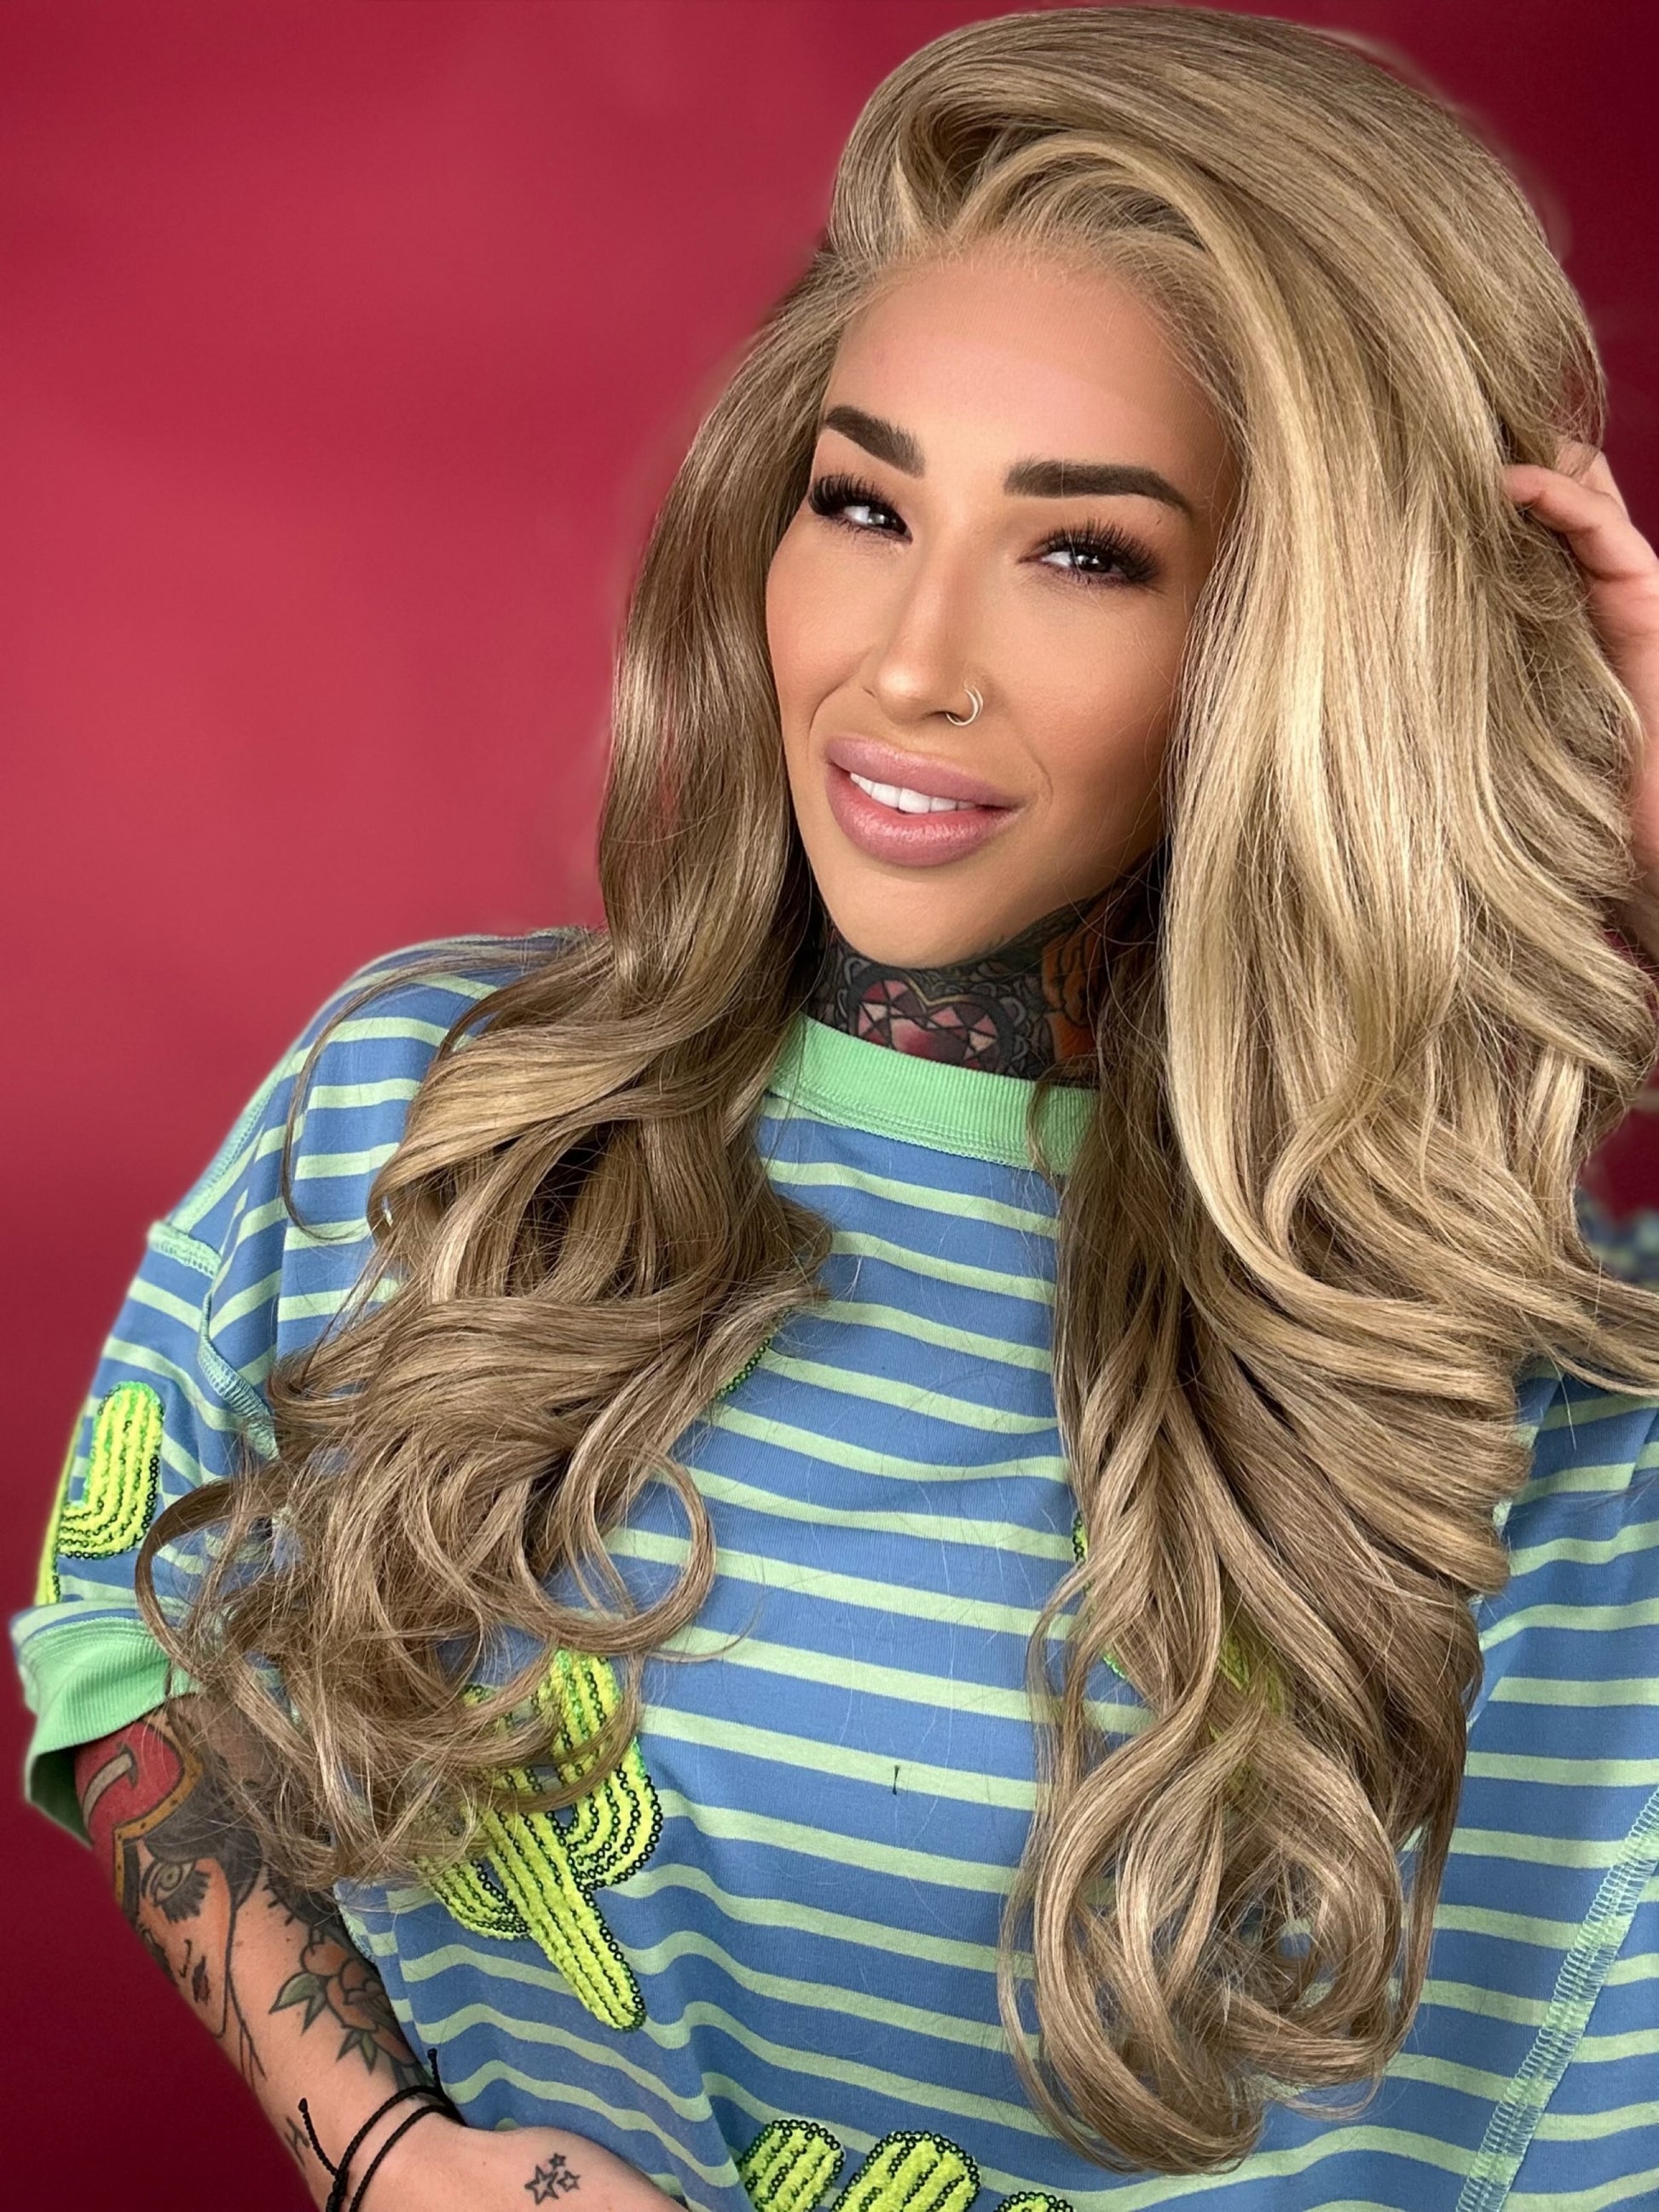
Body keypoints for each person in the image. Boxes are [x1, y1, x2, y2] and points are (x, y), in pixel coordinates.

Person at [14, 7, 1659, 2208]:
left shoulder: (1529, 1392)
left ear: (1315, 644)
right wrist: (385, 2152)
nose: (905, 662)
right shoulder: (433, 1110)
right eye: (863, 505)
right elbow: (125, 1643)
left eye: (1086, 553)